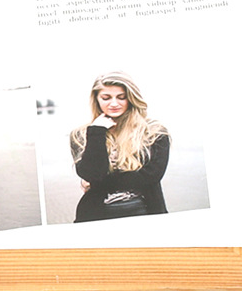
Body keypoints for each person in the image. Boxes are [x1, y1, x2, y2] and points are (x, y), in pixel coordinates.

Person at [69, 72, 170, 222]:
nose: (114, 103)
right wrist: (97, 132)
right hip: (95, 215)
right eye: (106, 98)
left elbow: (151, 176)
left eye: (121, 97)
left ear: (131, 98)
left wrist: (99, 184)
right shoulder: (81, 135)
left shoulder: (154, 132)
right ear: (96, 99)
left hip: (145, 211)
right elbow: (93, 174)